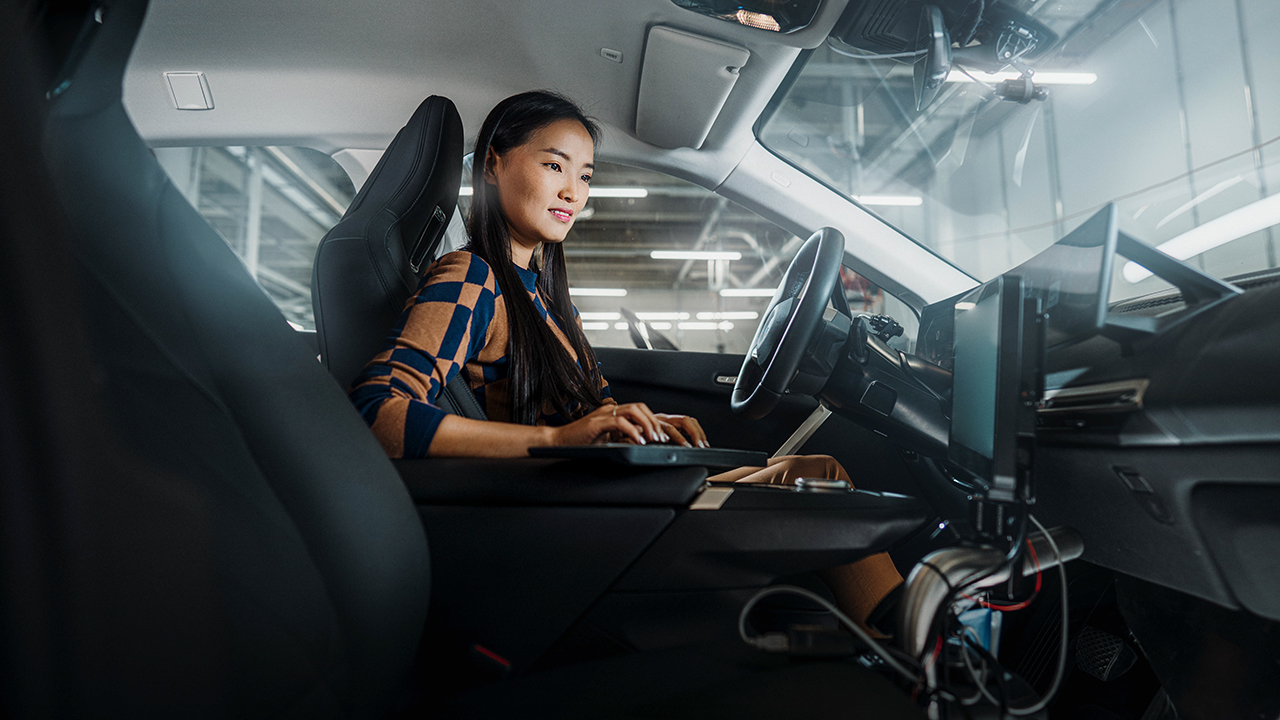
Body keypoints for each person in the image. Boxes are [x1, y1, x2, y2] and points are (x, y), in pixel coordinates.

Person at [349, 90, 901, 630]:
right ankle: (930, 662)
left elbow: (591, 406)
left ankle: (913, 650)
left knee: (821, 473)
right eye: (554, 165)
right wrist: (556, 442)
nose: (572, 191)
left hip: (608, 495)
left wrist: (641, 427)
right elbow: (379, 414)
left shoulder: (545, 297)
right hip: (578, 519)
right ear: (493, 164)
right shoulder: (472, 278)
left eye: (585, 175)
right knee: (823, 491)